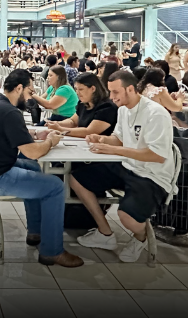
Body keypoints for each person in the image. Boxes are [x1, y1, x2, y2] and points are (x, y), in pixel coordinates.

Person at [0, 69, 83, 268]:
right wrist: (50, 142)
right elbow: (32, 152)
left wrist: (31, 133)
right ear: (19, 88)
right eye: (30, 92)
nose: (31, 98)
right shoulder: (10, 112)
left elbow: (13, 133)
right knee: (55, 187)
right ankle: (52, 252)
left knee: (35, 170)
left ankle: (36, 231)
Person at [70, 71, 176, 262]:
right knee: (76, 178)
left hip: (152, 175)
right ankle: (105, 233)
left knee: (126, 217)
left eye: (116, 92)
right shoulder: (123, 110)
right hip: (127, 166)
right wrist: (102, 139)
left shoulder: (156, 113)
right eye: (110, 92)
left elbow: (157, 156)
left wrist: (114, 151)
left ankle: (141, 237)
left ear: (130, 89)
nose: (112, 97)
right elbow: (118, 139)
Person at [46, 73, 118, 138]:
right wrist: (57, 123)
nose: (77, 92)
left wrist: (61, 129)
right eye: (76, 89)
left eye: (81, 89)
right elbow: (72, 121)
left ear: (93, 89)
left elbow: (90, 131)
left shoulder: (107, 107)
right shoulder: (83, 104)